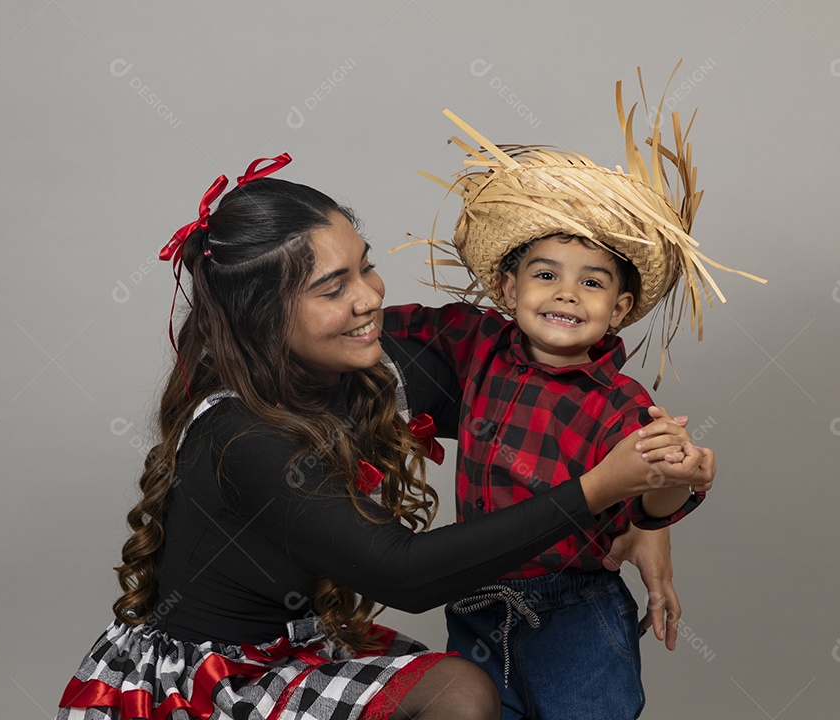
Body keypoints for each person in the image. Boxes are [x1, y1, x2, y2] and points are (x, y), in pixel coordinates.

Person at [54, 155, 713, 720]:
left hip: (304, 646)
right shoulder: (243, 439)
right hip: (218, 685)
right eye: (333, 287)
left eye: (364, 269)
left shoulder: (370, 364)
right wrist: (599, 489)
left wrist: (649, 510)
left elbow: (542, 390)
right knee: (461, 690)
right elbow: (405, 574)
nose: (368, 297)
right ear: (265, 318)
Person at [382, 76, 762, 719]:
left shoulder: (618, 401)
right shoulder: (478, 344)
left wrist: (678, 475)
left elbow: (650, 503)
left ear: (618, 309)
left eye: (591, 283)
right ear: (507, 288)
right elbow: (399, 326)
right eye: (546, 275)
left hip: (574, 604)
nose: (566, 293)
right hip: (476, 596)